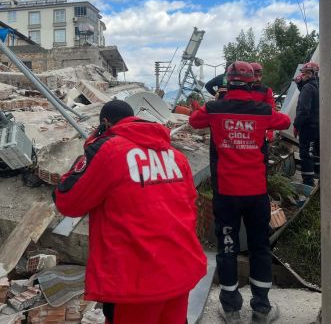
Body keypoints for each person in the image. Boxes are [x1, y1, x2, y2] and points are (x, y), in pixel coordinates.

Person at [54, 99, 207, 324]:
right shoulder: (176, 156)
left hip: (135, 283)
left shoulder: (107, 150)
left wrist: (91, 147)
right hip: (180, 269)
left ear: (104, 123)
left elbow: (67, 202)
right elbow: (189, 205)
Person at [189, 61, 291, 324]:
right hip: (256, 193)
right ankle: (261, 309)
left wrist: (218, 100)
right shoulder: (263, 109)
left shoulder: (214, 108)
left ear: (227, 81)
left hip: (226, 193)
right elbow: (285, 121)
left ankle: (231, 309)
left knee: (227, 248)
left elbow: (194, 120)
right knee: (259, 248)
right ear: (251, 82)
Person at [293, 62, 320, 186]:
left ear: (309, 73)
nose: (301, 75)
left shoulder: (308, 88)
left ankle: (308, 183)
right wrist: (300, 84)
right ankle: (320, 178)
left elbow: (304, 109)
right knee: (316, 152)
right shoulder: (318, 85)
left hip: (308, 126)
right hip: (318, 125)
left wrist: (296, 125)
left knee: (306, 153)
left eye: (303, 73)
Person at [250, 62, 275, 142]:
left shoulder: (267, 90)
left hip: (259, 127)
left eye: (260, 76)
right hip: (244, 125)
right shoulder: (243, 89)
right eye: (255, 76)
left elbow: (271, 111)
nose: (258, 79)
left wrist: (270, 132)